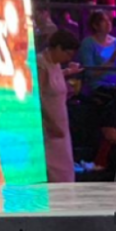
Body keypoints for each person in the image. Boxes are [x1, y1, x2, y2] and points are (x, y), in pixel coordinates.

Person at [37, 30, 81, 183]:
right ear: (58, 48)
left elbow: (54, 78)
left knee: (65, 169)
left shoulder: (54, 64)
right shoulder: (41, 64)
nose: (68, 58)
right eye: (67, 54)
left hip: (61, 121)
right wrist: (50, 123)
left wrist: (68, 72)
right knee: (56, 171)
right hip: (49, 125)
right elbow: (37, 97)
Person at [79, 10, 116, 92]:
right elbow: (90, 73)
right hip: (98, 86)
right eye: (104, 21)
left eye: (109, 20)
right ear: (95, 25)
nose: (108, 23)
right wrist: (110, 62)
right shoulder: (88, 43)